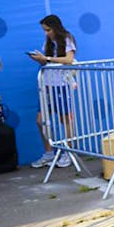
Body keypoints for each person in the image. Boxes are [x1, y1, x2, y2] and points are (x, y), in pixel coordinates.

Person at [29, 14, 77, 169]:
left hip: (61, 84)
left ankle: (68, 152)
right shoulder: (48, 42)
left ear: (56, 28)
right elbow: (46, 60)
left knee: (65, 120)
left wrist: (47, 59)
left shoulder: (67, 38)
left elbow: (69, 59)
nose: (46, 33)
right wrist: (40, 59)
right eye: (44, 30)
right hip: (47, 86)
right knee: (40, 120)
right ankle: (49, 153)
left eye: (48, 30)